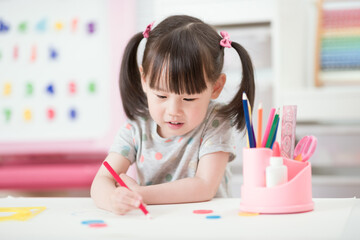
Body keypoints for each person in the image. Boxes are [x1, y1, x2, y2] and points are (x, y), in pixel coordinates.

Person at [91, 15, 255, 215]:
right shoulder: (137, 127)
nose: (173, 111)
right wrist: (112, 199)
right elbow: (101, 181)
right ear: (144, 80)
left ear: (216, 87)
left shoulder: (215, 121)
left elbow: (204, 186)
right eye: (161, 95)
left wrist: (141, 193)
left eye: (188, 99)